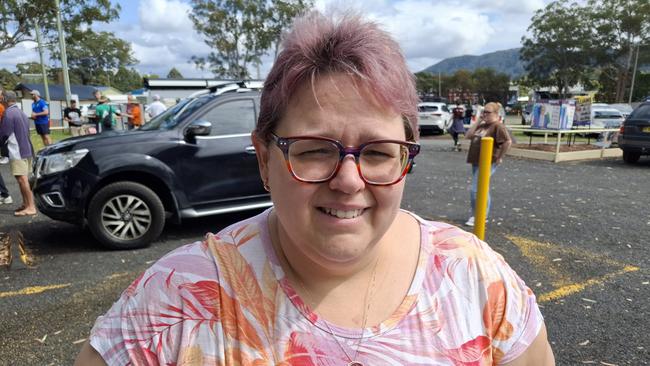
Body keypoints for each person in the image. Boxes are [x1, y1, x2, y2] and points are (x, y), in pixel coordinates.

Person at [75, 11, 554, 366]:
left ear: (405, 159)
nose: (349, 181)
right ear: (265, 159)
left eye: (379, 152)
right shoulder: (178, 298)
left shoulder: (474, 277)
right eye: (314, 149)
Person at [464, 101, 512, 227]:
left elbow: (507, 141)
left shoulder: (497, 126)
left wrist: (500, 157)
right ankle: (482, 214)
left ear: (496, 113)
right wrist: (478, 121)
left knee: (476, 189)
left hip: (488, 161)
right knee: (483, 188)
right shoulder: (483, 125)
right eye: (483, 111)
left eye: (487, 112)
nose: (484, 114)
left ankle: (478, 215)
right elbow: (468, 135)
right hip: (476, 161)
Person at [0, 91, 36, 216]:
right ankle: (26, 204)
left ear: (4, 98)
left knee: (22, 180)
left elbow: (4, 134)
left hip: (17, 151)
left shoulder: (8, 113)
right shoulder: (21, 112)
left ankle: (31, 206)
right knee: (23, 179)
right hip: (27, 148)